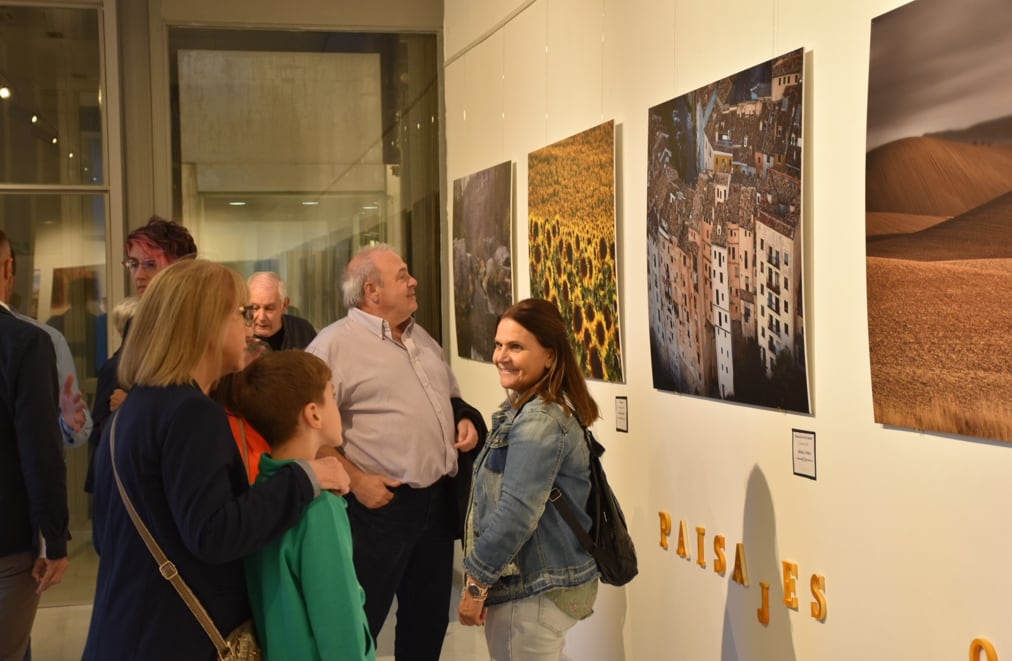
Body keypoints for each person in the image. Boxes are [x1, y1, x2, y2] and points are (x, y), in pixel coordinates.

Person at [83, 259, 351, 660]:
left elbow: (106, 537)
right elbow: (214, 533)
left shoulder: (137, 408)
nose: (249, 327)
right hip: (172, 637)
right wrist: (305, 476)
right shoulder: (190, 412)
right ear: (206, 325)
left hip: (126, 628)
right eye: (239, 313)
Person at [307, 244, 486, 661]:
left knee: (426, 624)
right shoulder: (331, 348)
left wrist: (465, 421)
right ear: (372, 291)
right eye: (403, 275)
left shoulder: (420, 336)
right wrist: (359, 482)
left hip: (436, 506)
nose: (413, 282)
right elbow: (309, 434)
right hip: (377, 507)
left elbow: (451, 398)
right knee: (360, 623)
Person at [458, 298, 600, 661]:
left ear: (550, 356)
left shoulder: (540, 420)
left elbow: (516, 513)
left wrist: (476, 585)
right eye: (498, 344)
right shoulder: (536, 408)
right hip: (539, 587)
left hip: (531, 593)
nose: (500, 356)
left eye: (516, 346)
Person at [229, 350, 375, 661]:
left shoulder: (259, 495)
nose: (338, 408)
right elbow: (339, 627)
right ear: (314, 414)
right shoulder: (319, 508)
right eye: (332, 397)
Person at [84, 216, 197, 493]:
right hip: (128, 477)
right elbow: (102, 424)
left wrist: (134, 405)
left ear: (179, 269)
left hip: (178, 475)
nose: (139, 275)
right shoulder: (138, 324)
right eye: (133, 264)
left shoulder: (200, 325)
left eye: (150, 264)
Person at [0, 246, 70, 661]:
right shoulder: (24, 342)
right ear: (9, 268)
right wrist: (55, 541)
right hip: (8, 544)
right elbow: (40, 450)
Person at [0, 233, 91, 448]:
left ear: (9, 270)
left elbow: (78, 426)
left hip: (22, 474)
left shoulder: (44, 339)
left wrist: (69, 423)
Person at [247, 271, 317, 350]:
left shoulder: (302, 331)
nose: (261, 317)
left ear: (284, 305)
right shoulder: (237, 336)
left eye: (269, 309)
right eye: (255, 308)